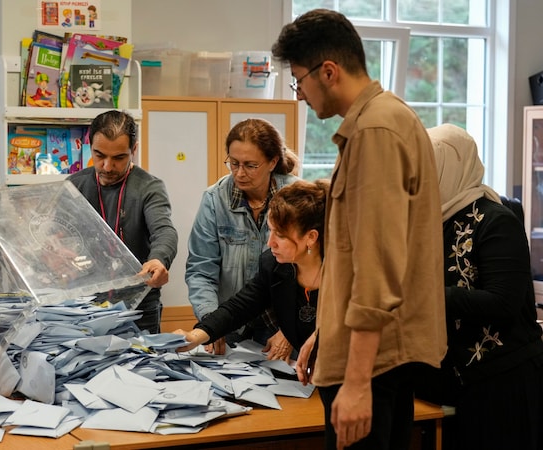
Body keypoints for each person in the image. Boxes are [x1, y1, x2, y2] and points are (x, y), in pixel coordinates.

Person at [272, 9, 447, 450]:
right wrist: (324, 334)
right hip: (369, 357)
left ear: (327, 71)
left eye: (299, 81)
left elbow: (376, 266)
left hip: (371, 366)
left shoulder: (375, 131)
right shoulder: (386, 119)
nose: (300, 95)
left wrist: (355, 383)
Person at [420, 123, 543, 450]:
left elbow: (504, 303)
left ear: (451, 167)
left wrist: (430, 296)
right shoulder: (435, 221)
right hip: (459, 382)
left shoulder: (496, 220)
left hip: (503, 383)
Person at [175, 179, 327, 361]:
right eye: (270, 231)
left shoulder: (346, 274)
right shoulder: (273, 265)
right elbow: (240, 307)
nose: (270, 243)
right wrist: (195, 336)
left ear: (311, 237)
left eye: (280, 235)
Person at [185, 118, 300, 357]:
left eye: (250, 165)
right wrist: (211, 321)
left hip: (283, 326)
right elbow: (200, 270)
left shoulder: (295, 198)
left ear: (272, 162)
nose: (240, 173)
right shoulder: (215, 200)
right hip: (232, 322)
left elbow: (314, 272)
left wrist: (291, 330)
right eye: (233, 163)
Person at [67, 110, 178, 334]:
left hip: (138, 306)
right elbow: (55, 234)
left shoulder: (149, 188)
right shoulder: (73, 186)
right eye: (99, 155)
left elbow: (164, 231)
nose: (107, 166)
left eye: (119, 158)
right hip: (84, 304)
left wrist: (158, 259)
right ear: (90, 146)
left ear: (134, 150)